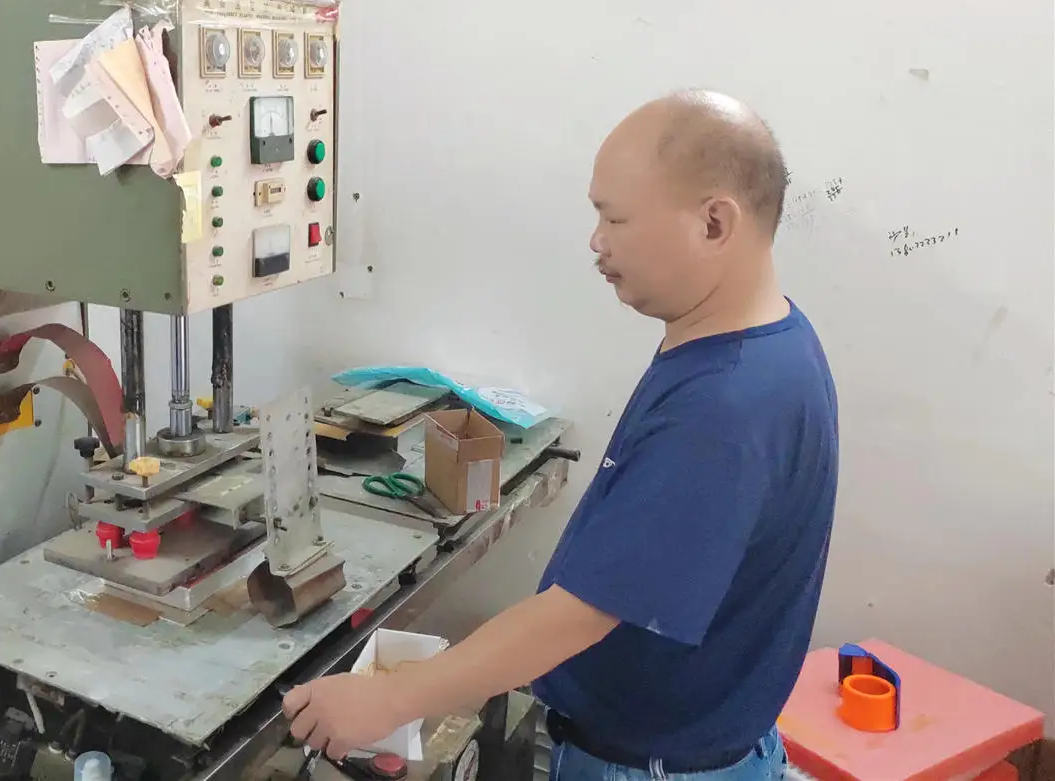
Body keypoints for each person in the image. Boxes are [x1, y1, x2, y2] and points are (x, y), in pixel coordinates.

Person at [283, 90, 839, 781]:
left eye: (616, 218)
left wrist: (389, 699)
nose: (596, 240)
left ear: (714, 223)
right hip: (703, 739)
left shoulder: (724, 407)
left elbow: (582, 614)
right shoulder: (770, 341)